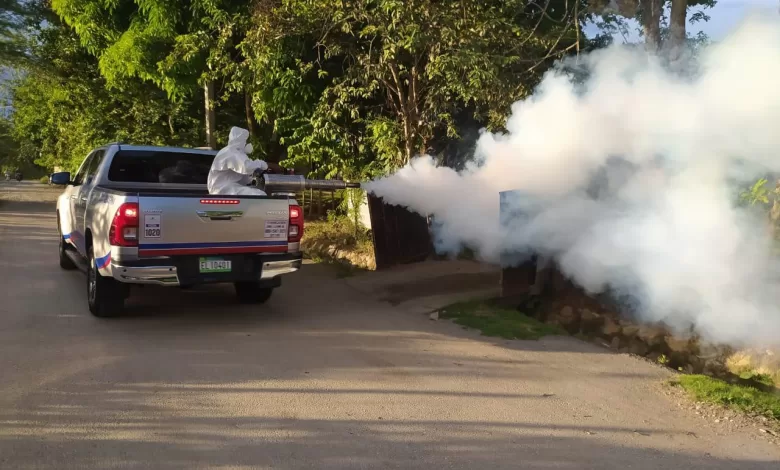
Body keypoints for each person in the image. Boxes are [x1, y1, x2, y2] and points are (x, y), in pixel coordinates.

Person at [207, 127, 282, 195]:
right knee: (259, 195)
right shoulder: (231, 152)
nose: (246, 143)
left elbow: (244, 178)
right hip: (222, 189)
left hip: (227, 187)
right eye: (245, 140)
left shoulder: (236, 153)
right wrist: (265, 164)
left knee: (257, 192)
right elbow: (246, 167)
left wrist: (254, 178)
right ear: (240, 140)